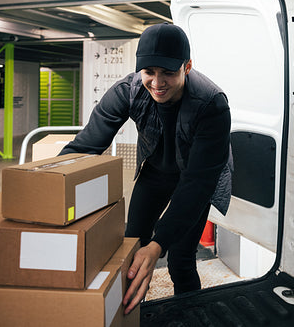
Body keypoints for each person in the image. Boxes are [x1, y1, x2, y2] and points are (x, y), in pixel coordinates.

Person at [59, 22, 233, 314]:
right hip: (155, 171)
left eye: (168, 72)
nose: (157, 82)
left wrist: (158, 244)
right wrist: (50, 183)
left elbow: (198, 182)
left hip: (194, 178)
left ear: (187, 67)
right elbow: (86, 146)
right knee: (130, 244)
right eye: (149, 72)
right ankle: (126, 316)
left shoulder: (212, 103)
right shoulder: (128, 91)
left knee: (179, 257)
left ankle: (187, 317)